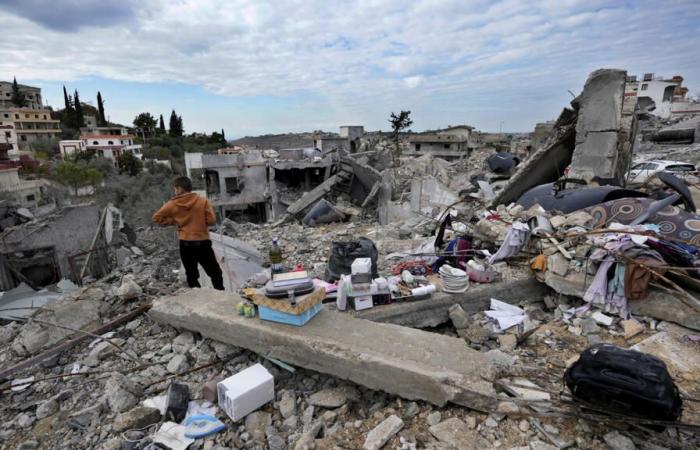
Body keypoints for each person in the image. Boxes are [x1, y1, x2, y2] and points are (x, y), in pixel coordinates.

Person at [153, 176, 224, 290]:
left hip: (186, 244)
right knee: (215, 272)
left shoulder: (172, 204)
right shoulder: (202, 201)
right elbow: (212, 221)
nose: (175, 191)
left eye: (175, 189)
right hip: (203, 242)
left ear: (180, 188)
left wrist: (175, 221)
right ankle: (220, 294)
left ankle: (198, 298)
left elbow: (157, 218)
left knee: (191, 275)